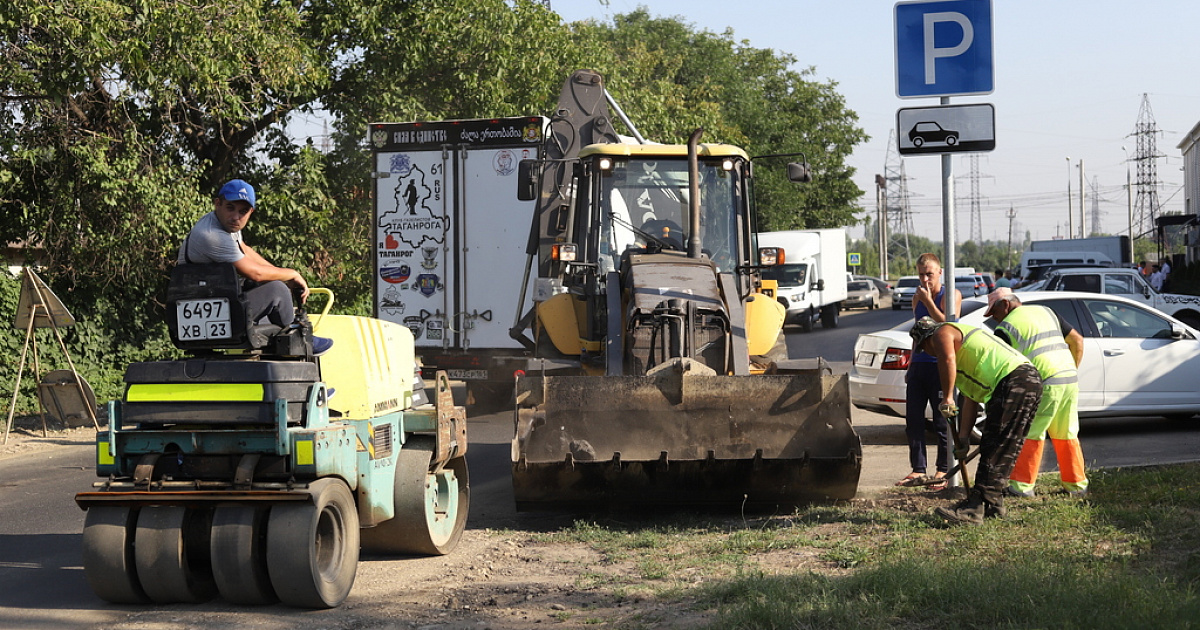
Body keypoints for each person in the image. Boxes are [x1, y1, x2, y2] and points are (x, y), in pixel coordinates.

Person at [909, 316, 1043, 524]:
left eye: (925, 348)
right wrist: (963, 438)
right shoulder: (964, 360)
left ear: (926, 340)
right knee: (1001, 448)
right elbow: (970, 399)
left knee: (995, 446)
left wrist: (947, 398)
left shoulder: (942, 333)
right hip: (1026, 380)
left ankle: (973, 510)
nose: (929, 352)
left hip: (1014, 379)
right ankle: (993, 503)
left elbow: (947, 360)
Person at [178, 179, 332, 355]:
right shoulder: (212, 236)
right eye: (230, 207)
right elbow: (255, 273)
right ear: (218, 204)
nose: (236, 217)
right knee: (276, 290)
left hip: (210, 305)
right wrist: (291, 274)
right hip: (208, 314)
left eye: (243, 211)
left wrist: (283, 275)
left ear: (251, 212)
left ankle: (275, 345)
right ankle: (303, 340)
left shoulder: (224, 225)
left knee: (269, 283)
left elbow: (245, 250)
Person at [986, 288, 1088, 497]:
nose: (994, 319)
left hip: (1043, 381)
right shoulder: (1046, 311)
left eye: (994, 313)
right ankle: (1076, 486)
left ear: (1005, 305)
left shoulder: (1006, 328)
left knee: (1031, 433)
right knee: (1066, 433)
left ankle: (1021, 488)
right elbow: (1077, 340)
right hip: (1068, 377)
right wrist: (1070, 370)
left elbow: (1002, 368)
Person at [895, 253, 961, 490]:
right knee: (913, 420)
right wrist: (911, 364)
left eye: (929, 274)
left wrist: (930, 301)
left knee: (942, 421)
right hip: (920, 365)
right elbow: (917, 333)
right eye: (921, 274)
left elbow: (948, 324)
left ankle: (943, 469)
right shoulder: (917, 297)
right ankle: (918, 469)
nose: (925, 280)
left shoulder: (951, 295)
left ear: (939, 272)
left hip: (940, 365)